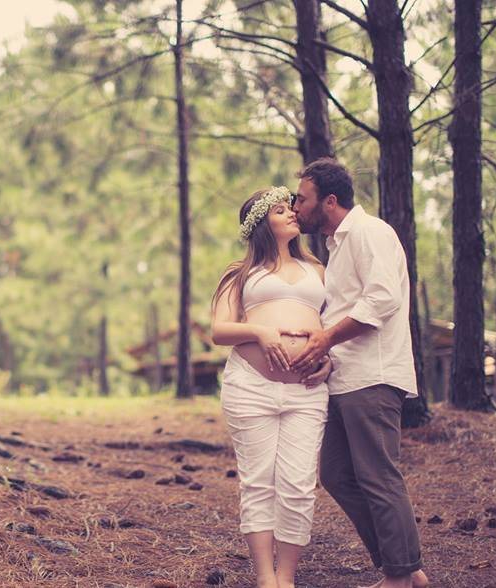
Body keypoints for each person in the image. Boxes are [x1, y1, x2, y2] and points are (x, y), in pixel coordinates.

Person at [289, 158, 429, 588]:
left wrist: (325, 340)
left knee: (378, 476)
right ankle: (404, 568)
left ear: (330, 201)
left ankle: (401, 575)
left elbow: (380, 301)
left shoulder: (371, 233)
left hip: (374, 375)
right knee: (335, 473)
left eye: (302, 198)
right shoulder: (337, 245)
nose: (295, 207)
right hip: (346, 377)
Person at [210, 186, 332, 588]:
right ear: (262, 224)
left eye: (291, 208)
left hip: (306, 390)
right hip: (251, 386)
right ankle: (266, 579)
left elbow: (334, 328)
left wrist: (329, 359)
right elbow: (220, 330)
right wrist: (261, 333)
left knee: (298, 485)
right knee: (258, 481)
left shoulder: (318, 270)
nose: (292, 214)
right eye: (281, 211)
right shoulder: (240, 273)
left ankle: (287, 577)